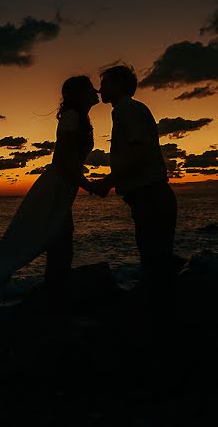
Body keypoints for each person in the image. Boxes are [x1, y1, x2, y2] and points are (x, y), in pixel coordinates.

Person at [0, 76, 99, 310]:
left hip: (64, 187)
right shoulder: (71, 117)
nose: (96, 90)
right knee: (34, 240)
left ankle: (53, 298)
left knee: (59, 242)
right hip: (56, 186)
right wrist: (88, 185)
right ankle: (46, 300)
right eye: (89, 88)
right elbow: (62, 161)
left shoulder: (81, 117)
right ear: (79, 93)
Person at [87, 65, 177, 300]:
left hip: (151, 196)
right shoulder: (124, 111)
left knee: (155, 266)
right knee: (155, 262)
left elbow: (139, 155)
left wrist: (108, 181)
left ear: (118, 85)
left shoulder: (128, 109)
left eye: (105, 83)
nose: (100, 89)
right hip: (147, 196)